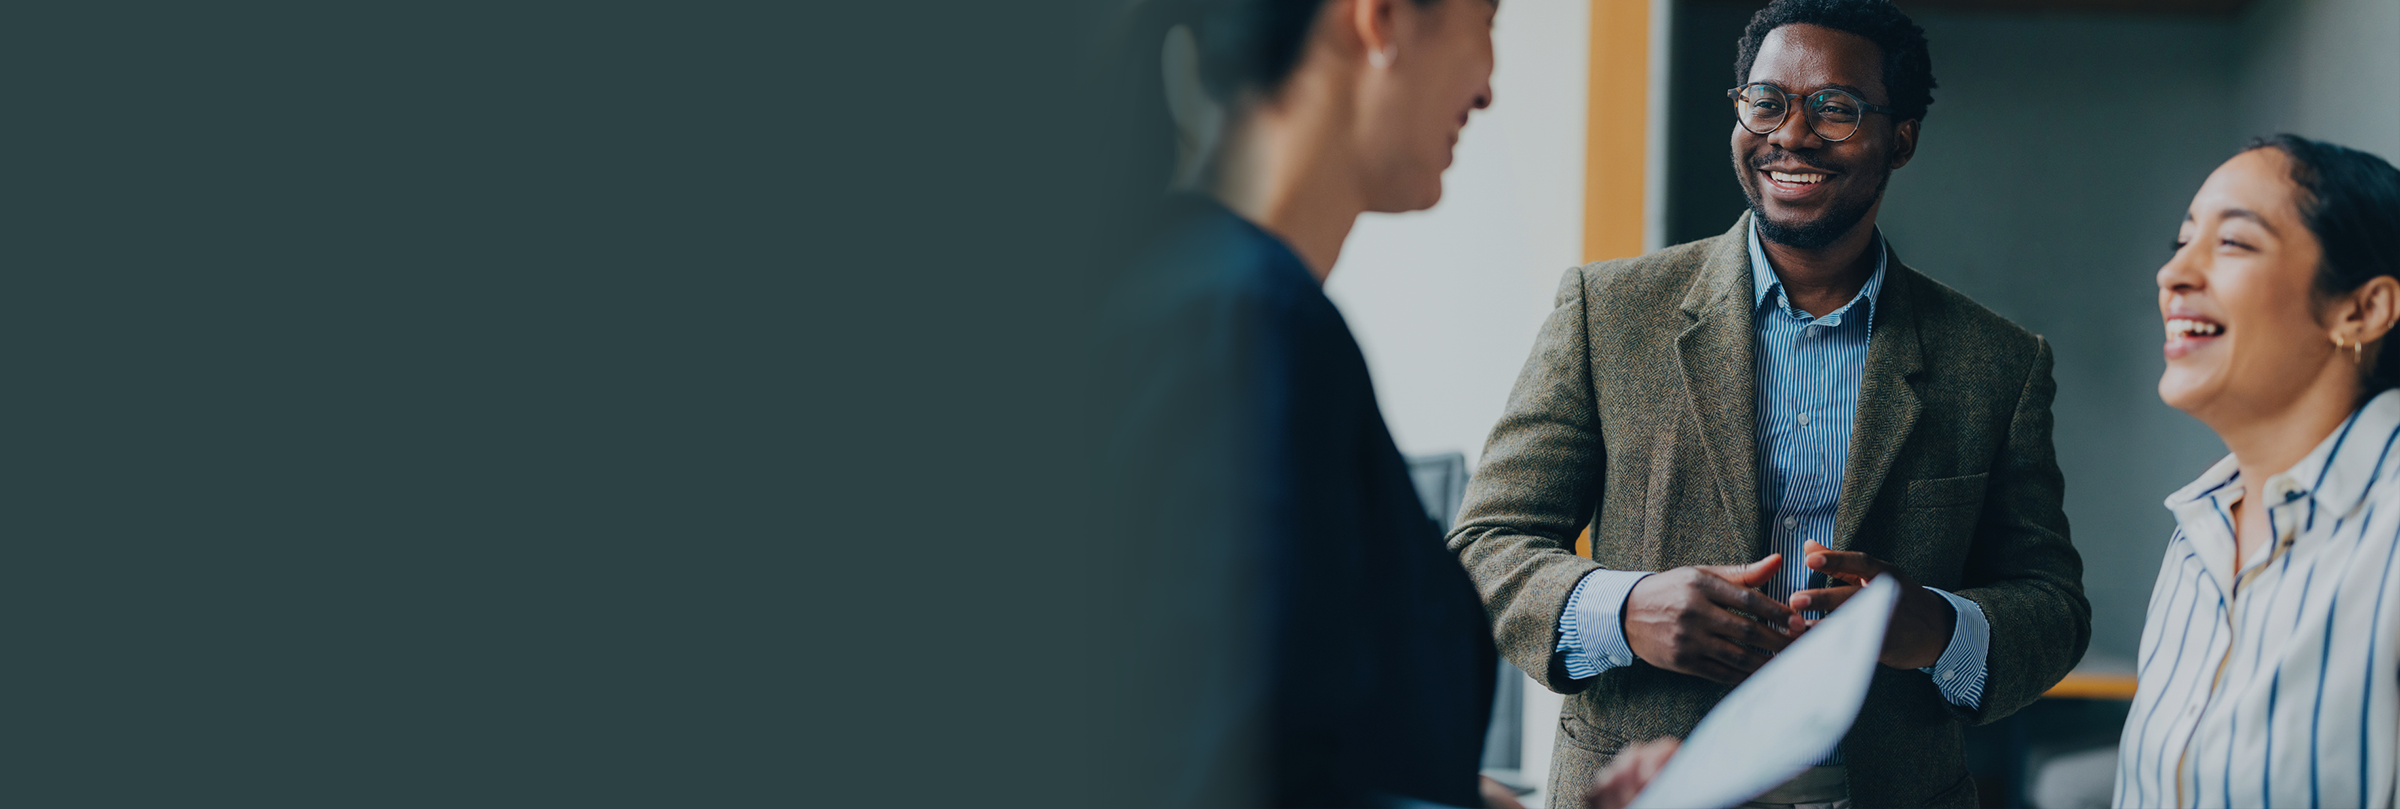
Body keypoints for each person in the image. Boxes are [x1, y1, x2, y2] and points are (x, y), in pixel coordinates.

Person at [1444, 0, 2091, 805]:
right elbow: (1485, 547)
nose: (1792, 133)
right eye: (1767, 101)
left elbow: (2053, 606)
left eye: (1836, 108)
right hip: (1645, 786)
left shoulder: (1996, 362)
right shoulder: (1606, 313)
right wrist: (1625, 607)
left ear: (1902, 138)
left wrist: (1937, 626)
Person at [1090, 0, 1507, 806]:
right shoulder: (1239, 323)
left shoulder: (1220, 300)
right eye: (1487, 16)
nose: (1489, 85)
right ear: (1380, 19)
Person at [2113, 136, 2400, 808]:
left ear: (2363, 310)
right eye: (2181, 241)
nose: (2173, 274)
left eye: (2234, 243)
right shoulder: (2199, 529)